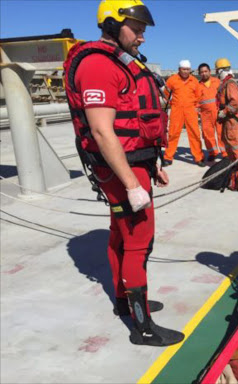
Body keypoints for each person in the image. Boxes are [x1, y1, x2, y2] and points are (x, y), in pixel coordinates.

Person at [63, 0, 184, 346]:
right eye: (138, 29)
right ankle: (143, 326)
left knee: (120, 232)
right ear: (114, 25)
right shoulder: (99, 66)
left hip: (135, 163)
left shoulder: (121, 63)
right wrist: (132, 184)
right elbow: (102, 131)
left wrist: (153, 164)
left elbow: (136, 120)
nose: (143, 37)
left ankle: (125, 300)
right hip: (121, 170)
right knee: (138, 241)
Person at [163, 59, 205, 167]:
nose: (186, 71)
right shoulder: (172, 80)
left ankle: (198, 157)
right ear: (179, 69)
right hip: (176, 109)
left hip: (191, 109)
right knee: (173, 133)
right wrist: (171, 102)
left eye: (188, 69)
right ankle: (168, 157)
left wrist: (197, 107)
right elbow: (165, 93)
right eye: (183, 69)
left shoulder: (194, 81)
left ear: (190, 70)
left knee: (195, 133)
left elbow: (198, 96)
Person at [197, 63, 227, 161]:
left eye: (206, 71)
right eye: (201, 72)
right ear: (199, 73)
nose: (204, 74)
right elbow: (195, 101)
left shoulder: (217, 82)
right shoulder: (197, 86)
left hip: (218, 112)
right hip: (205, 115)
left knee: (221, 133)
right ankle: (212, 153)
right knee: (207, 134)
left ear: (210, 72)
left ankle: (225, 153)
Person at [215, 58, 238, 160]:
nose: (217, 74)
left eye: (218, 71)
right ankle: (232, 162)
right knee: (226, 140)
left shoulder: (230, 83)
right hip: (227, 118)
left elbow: (235, 102)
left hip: (231, 117)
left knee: (233, 141)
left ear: (221, 71)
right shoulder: (225, 83)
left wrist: (225, 111)